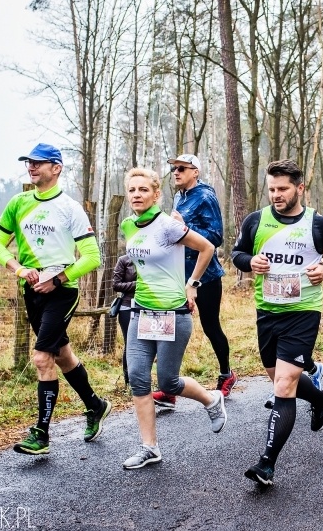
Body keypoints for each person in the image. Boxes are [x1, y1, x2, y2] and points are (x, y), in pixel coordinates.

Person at [231, 159, 323, 486]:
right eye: (271, 189)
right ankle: (321, 398)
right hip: (267, 312)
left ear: (300, 188)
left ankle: (266, 464)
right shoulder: (256, 221)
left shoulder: (319, 224)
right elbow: (236, 253)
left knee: (283, 385)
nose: (276, 195)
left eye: (282, 189)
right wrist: (249, 261)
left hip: (303, 313)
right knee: (283, 379)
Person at [0, 143, 109, 455]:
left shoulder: (70, 208)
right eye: (29, 161)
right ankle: (95, 406)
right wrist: (18, 268)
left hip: (62, 291)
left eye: (39, 163)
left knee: (43, 357)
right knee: (64, 354)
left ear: (56, 168)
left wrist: (57, 279)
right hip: (32, 291)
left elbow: (93, 257)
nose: (32, 166)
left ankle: (41, 433)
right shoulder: (18, 203)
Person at [120, 167, 227, 469]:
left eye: (143, 189)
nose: (137, 195)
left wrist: (192, 283)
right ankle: (149, 447)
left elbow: (207, 247)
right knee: (138, 378)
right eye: (132, 190)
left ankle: (211, 399)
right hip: (142, 311)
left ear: (156, 194)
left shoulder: (168, 225)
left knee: (168, 381)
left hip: (173, 313)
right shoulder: (128, 225)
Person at [150, 153, 236, 409]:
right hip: (178, 274)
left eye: (182, 169)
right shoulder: (179, 196)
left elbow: (216, 236)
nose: (176, 172)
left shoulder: (206, 196)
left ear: (195, 172)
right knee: (172, 329)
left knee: (210, 326)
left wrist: (184, 224)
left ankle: (226, 373)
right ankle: (169, 387)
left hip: (205, 275)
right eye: (174, 169)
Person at [112, 254, 136, 386]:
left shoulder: (151, 258)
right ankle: (129, 381)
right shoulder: (124, 260)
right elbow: (116, 285)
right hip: (127, 306)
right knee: (130, 343)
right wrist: (137, 285)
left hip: (147, 306)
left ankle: (143, 379)